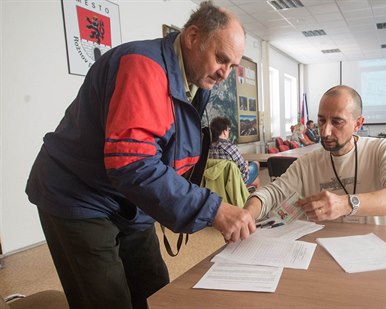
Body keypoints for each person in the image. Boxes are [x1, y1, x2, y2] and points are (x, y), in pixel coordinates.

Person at [25, 2, 255, 308]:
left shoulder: (198, 82)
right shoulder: (142, 66)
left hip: (128, 200)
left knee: (154, 291)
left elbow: (166, 151)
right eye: (221, 59)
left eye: (232, 65)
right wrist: (212, 208)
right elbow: (132, 163)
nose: (225, 73)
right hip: (79, 195)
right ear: (193, 37)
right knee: (107, 299)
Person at [244, 85, 386, 225]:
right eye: (321, 120)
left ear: (358, 123)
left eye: (337, 122)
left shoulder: (381, 150)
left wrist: (345, 204)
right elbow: (273, 192)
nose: (325, 132)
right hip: (326, 251)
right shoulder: (308, 164)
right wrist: (248, 213)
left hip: (378, 247)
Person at [208, 116, 261, 187]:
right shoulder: (229, 147)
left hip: (216, 182)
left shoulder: (208, 148)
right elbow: (242, 167)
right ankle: (250, 194)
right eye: (228, 130)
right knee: (256, 164)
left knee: (256, 180)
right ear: (224, 132)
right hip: (234, 181)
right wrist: (246, 164)